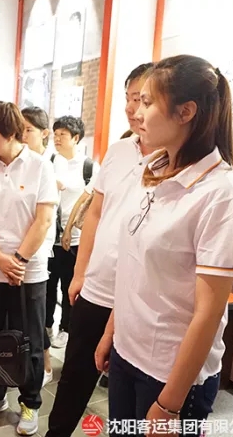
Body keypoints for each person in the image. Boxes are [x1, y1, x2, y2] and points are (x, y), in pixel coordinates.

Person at [94, 55, 233, 436]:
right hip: (127, 353)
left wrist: (169, 404)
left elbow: (209, 313)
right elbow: (134, 270)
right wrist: (113, 332)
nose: (136, 112)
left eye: (147, 102)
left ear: (185, 112)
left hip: (170, 374)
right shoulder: (154, 171)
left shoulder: (221, 192)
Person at [46, 62, 154, 437]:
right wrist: (81, 273)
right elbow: (95, 213)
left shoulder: (176, 160)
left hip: (139, 297)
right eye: (129, 98)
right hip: (98, 287)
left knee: (128, 388)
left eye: (142, 99)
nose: (132, 108)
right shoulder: (120, 151)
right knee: (75, 375)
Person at [0, 101, 58, 436]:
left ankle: (30, 402)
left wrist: (17, 260)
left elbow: (43, 220)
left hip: (28, 272)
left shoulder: (39, 167)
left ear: (9, 132)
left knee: (29, 338)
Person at [47, 116, 99, 350]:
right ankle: (47, 325)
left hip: (76, 238)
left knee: (69, 284)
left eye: (63, 135)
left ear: (76, 138)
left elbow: (91, 202)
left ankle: (65, 328)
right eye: (55, 134)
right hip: (50, 235)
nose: (57, 139)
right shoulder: (49, 161)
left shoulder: (89, 167)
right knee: (48, 285)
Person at [21, 106, 55, 385]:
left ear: (44, 133)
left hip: (45, 248)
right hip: (21, 249)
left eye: (28, 130)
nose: (22, 135)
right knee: (26, 316)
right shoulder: (18, 161)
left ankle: (45, 366)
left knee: (38, 314)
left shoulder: (50, 162)